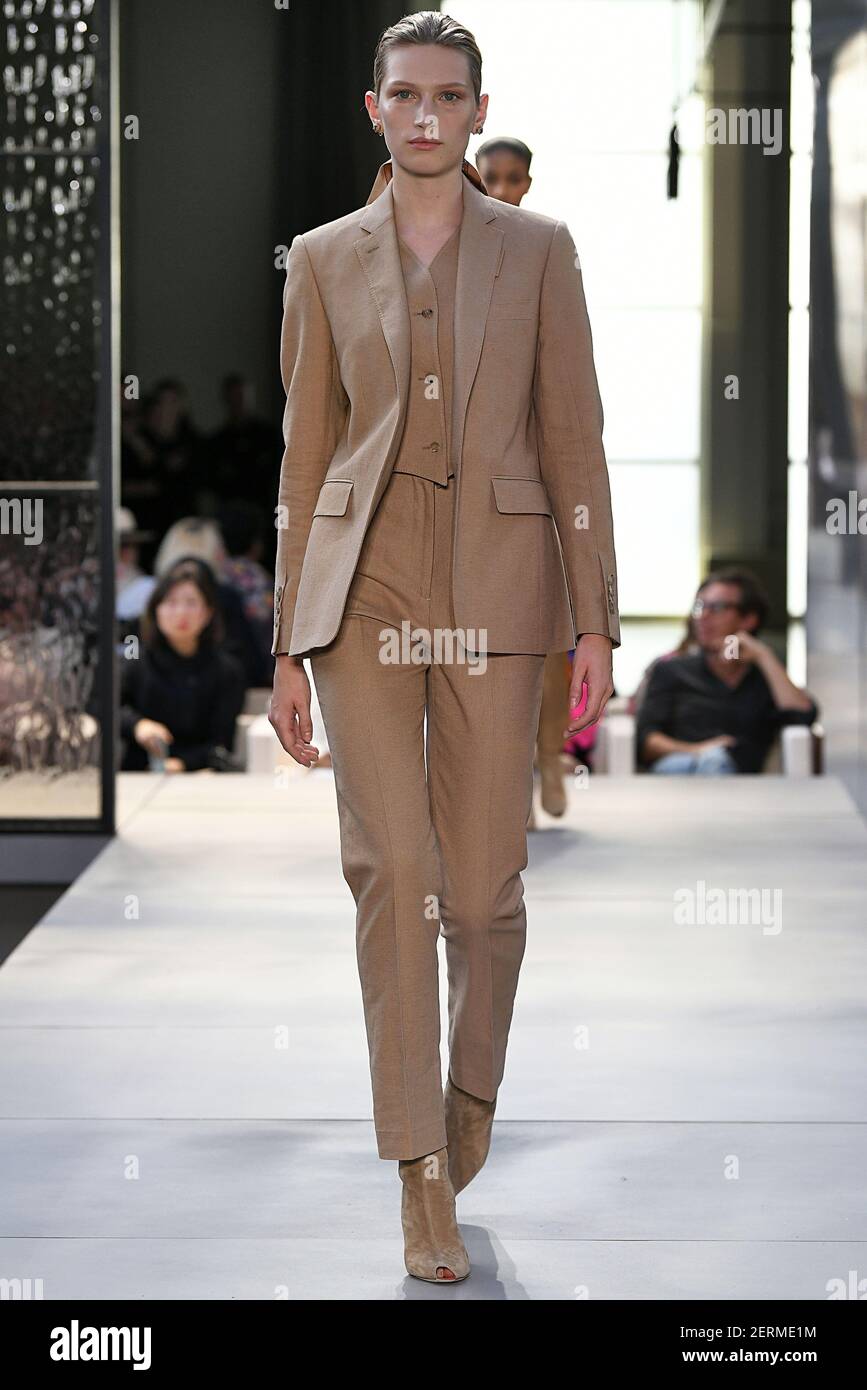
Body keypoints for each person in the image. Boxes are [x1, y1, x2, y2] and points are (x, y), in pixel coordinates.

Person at [267, 10, 619, 1285]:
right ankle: (420, 1166)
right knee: (394, 872)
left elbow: (574, 440)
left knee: (479, 893)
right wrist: (283, 640)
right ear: (375, 109)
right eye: (403, 95)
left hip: (500, 584)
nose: (425, 116)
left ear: (477, 110)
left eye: (448, 98)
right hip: (364, 590)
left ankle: (473, 1091)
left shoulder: (539, 251)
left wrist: (596, 616)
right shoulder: (318, 258)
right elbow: (304, 459)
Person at [475, 134, 586, 822]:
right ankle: (502, 773)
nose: (503, 188)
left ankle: (546, 757)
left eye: (514, 178)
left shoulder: (545, 248)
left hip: (534, 458)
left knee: (545, 634)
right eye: (492, 176)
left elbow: (566, 355)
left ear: (528, 182)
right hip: (470, 460)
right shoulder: (446, 243)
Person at [635, 568, 818, 774]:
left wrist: (763, 655)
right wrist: (699, 751)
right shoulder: (672, 670)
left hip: (739, 784)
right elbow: (645, 741)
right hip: (678, 770)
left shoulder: (764, 679)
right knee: (714, 760)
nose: (703, 616)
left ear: (748, 619)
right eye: (700, 606)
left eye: (717, 607)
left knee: (717, 762)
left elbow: (803, 716)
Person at [119, 560, 245, 772]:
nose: (181, 613)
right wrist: (137, 725)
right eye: (171, 602)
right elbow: (105, 707)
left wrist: (180, 765)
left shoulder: (227, 671)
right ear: (155, 609)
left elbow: (221, 742)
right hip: (137, 775)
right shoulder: (135, 661)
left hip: (201, 778)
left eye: (191, 603)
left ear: (207, 613)